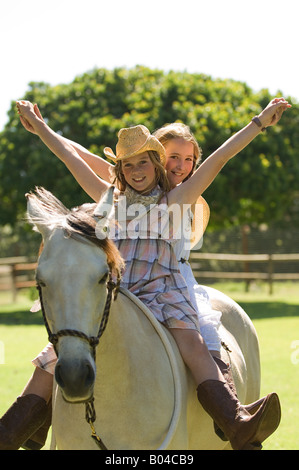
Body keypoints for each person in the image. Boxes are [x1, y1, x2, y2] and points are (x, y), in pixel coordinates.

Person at [1, 97, 290, 450]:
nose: (138, 171)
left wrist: (259, 123)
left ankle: (235, 420)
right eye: (129, 166)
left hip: (163, 295)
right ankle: (14, 429)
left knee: (194, 344)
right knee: (57, 350)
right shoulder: (109, 202)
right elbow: (71, 158)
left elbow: (219, 159)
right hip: (121, 295)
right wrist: (42, 128)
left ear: (156, 164)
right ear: (120, 171)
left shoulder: (176, 201)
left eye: (144, 163)